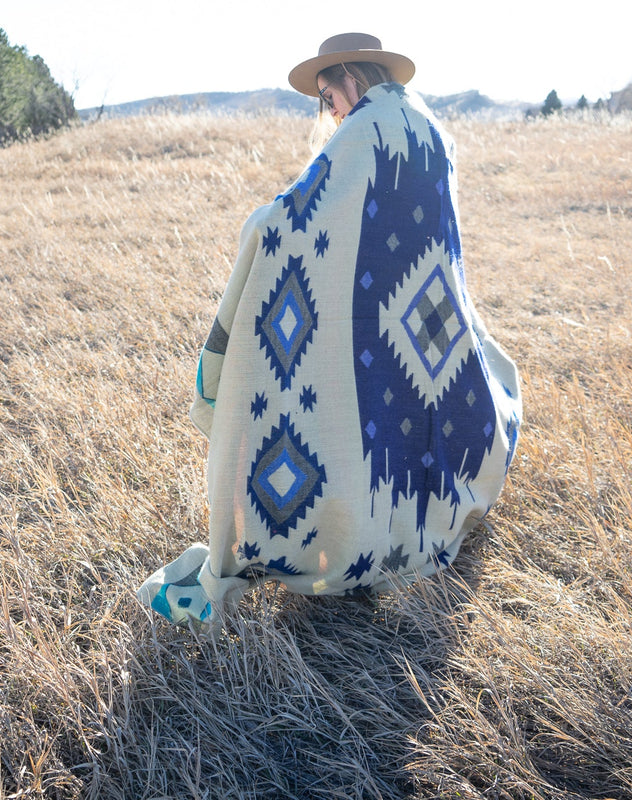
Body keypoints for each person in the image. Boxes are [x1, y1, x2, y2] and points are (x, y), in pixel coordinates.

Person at [138, 33, 522, 627]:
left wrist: (260, 234)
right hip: (429, 326)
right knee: (401, 412)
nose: (329, 110)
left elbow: (301, 212)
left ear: (352, 77)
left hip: (383, 310)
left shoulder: (366, 129)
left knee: (343, 403)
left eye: (328, 95)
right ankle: (406, 521)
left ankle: (348, 536)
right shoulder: (429, 129)